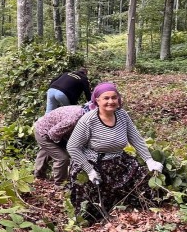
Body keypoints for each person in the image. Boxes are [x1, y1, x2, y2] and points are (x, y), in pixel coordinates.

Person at [66, 82, 164, 222]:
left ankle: (136, 214)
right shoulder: (88, 120)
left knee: (142, 179)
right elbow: (72, 147)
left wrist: (149, 160)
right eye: (106, 98)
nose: (111, 101)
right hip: (93, 163)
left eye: (114, 97)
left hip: (118, 160)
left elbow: (135, 138)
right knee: (91, 202)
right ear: (97, 100)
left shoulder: (122, 115)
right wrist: (89, 170)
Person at [33, 104, 88, 185]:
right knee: (62, 158)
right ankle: (60, 184)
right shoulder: (74, 119)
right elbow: (53, 133)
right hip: (44, 131)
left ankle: (38, 176)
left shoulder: (85, 111)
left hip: (48, 128)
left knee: (47, 150)